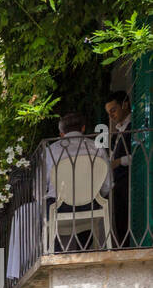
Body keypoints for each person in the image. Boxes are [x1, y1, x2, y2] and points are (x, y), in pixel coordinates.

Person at [44, 112, 110, 251]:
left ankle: (56, 252)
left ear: (61, 133)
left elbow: (38, 187)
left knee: (46, 208)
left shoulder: (51, 151)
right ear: (83, 128)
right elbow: (107, 185)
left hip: (60, 206)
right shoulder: (97, 148)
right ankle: (85, 249)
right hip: (90, 205)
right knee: (94, 203)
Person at [106, 90, 133, 247]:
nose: (111, 116)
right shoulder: (117, 132)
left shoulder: (134, 127)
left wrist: (118, 162)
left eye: (113, 110)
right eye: (109, 113)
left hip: (130, 181)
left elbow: (140, 155)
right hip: (118, 182)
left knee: (130, 219)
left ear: (125, 104)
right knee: (121, 222)